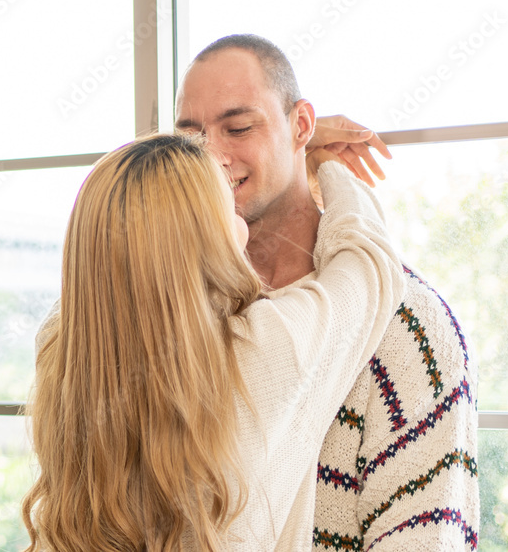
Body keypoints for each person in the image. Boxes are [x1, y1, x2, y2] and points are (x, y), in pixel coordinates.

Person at [21, 131, 405, 550]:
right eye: (231, 212)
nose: (243, 228)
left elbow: (112, 264)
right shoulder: (265, 348)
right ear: (205, 243)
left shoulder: (60, 353)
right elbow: (370, 264)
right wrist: (322, 165)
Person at [175, 34, 479, 550]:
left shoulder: (410, 331)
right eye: (189, 138)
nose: (211, 157)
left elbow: (427, 536)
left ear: (301, 126)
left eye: (239, 127)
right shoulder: (165, 311)